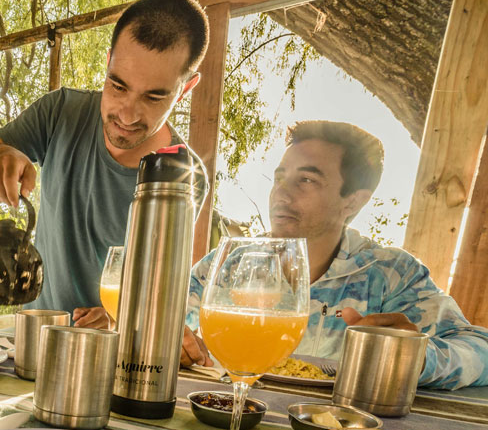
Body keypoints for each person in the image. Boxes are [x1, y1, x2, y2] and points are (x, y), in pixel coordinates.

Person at [0, 0, 210, 353]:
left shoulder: (185, 176)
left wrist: (119, 319)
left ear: (185, 89)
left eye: (153, 97)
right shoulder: (61, 112)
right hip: (32, 343)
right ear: (108, 62)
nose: (126, 114)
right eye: (117, 85)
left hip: (110, 356)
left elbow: (156, 291)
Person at [187, 120, 488, 390]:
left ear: (353, 202)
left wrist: (417, 357)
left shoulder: (390, 274)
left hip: (333, 428)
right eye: (279, 178)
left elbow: (480, 351)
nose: (281, 193)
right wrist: (175, 340)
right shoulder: (231, 263)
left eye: (306, 180)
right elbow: (168, 320)